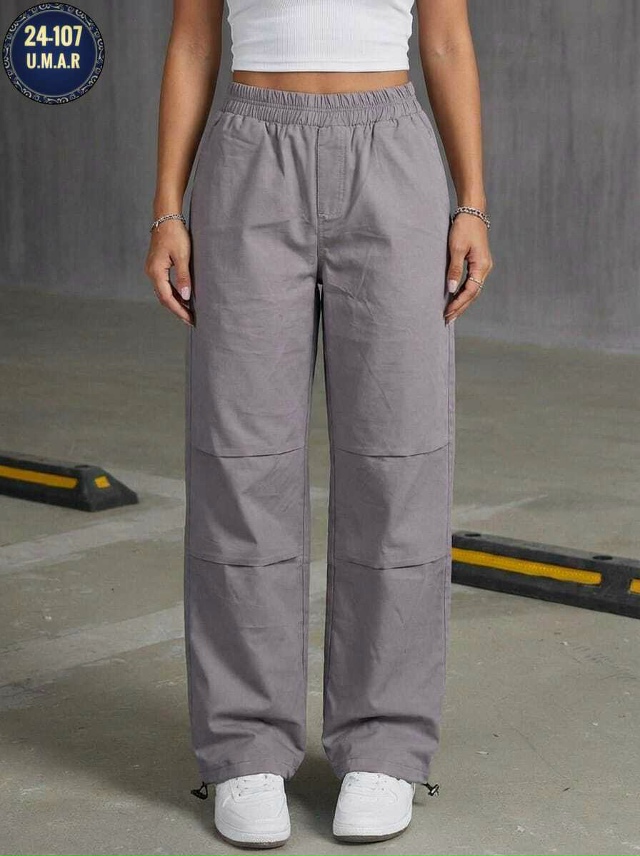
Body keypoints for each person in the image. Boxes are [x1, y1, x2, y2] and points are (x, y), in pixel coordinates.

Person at [145, 0, 493, 847]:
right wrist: (167, 208)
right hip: (250, 151)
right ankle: (244, 749)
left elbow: (447, 40)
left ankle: (385, 745)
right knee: (240, 458)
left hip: (392, 155)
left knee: (398, 457)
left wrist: (472, 203)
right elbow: (193, 41)